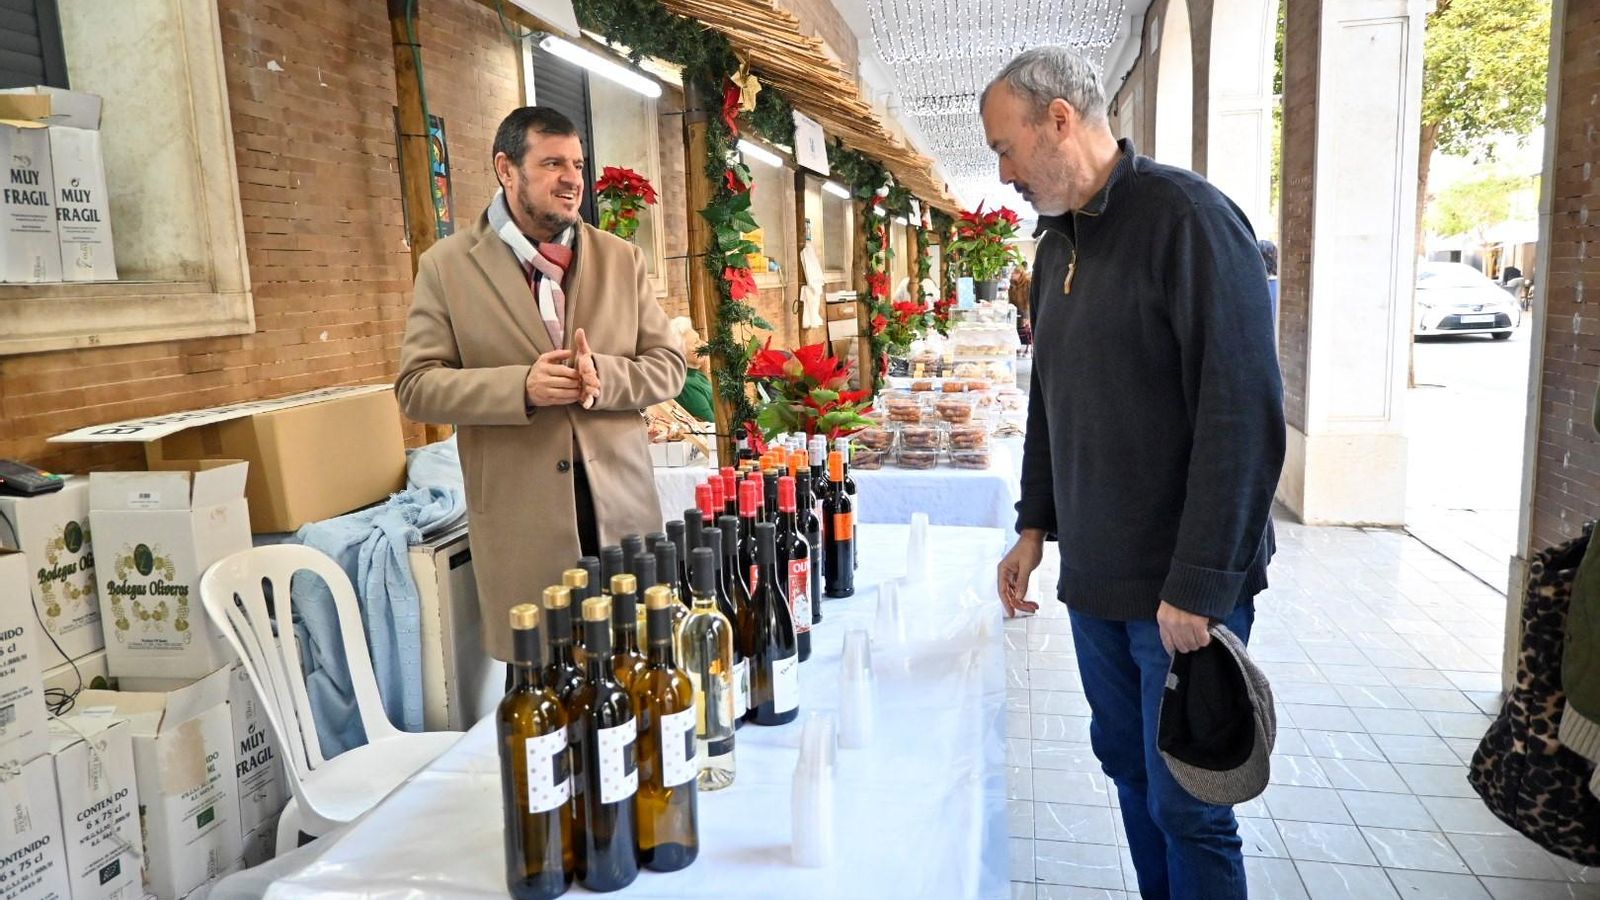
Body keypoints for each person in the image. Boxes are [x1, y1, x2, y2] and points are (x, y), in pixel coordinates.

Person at [985, 47, 1284, 900]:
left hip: (1180, 596)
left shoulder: (1188, 221)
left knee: (1191, 802)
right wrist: (1034, 526)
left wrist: (1198, 587)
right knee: (1128, 774)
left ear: (1059, 119)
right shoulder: (1054, 250)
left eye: (1006, 147)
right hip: (1097, 584)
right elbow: (1051, 401)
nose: (1001, 172)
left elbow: (1243, 418)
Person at [396, 106, 685, 664]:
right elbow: (416, 387)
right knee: (542, 694)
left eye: (576, 163)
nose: (572, 178)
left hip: (620, 514)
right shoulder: (447, 267)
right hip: (521, 522)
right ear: (507, 170)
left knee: (636, 673)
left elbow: (669, 366)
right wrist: (520, 389)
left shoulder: (622, 259)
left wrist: (608, 374)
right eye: (552, 163)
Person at [669, 316, 716, 422]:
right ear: (679, 352)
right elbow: (712, 425)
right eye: (696, 342)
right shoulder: (685, 384)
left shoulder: (697, 375)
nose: (704, 344)